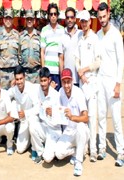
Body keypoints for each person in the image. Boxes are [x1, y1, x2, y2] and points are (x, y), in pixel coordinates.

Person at [96, 2, 124, 166]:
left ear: (109, 14)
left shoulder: (115, 35)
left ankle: (120, 152)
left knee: (115, 119)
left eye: (104, 16)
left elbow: (121, 61)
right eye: (99, 17)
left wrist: (118, 83)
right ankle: (101, 149)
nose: (102, 20)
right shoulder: (98, 34)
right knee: (100, 117)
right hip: (100, 81)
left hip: (113, 82)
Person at [74, 10, 101, 162]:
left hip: (92, 81)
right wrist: (80, 72)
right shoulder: (79, 37)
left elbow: (98, 62)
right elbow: (76, 59)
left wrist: (84, 70)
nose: (83, 24)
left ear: (90, 21)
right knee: (83, 116)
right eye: (81, 21)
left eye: (85, 21)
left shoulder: (94, 38)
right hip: (82, 81)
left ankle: (94, 150)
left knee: (92, 117)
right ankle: (83, 148)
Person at [55, 68, 89, 176]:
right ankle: (78, 150)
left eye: (68, 82)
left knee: (80, 127)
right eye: (64, 82)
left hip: (80, 131)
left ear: (72, 81)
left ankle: (78, 162)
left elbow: (86, 118)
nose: (66, 85)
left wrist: (72, 117)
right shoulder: (60, 92)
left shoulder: (78, 92)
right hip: (68, 131)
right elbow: (57, 111)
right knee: (58, 154)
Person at [29, 67, 62, 164]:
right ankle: (40, 153)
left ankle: (53, 150)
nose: (43, 83)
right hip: (44, 127)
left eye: (45, 81)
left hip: (54, 131)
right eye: (41, 81)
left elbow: (62, 117)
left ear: (49, 80)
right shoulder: (38, 90)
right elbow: (26, 85)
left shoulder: (56, 95)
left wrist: (53, 113)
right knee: (32, 123)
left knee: (48, 159)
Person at [8, 66, 39, 155]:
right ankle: (29, 139)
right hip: (23, 121)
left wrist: (26, 113)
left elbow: (37, 107)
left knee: (33, 125)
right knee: (20, 149)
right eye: (17, 79)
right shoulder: (14, 89)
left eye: (21, 79)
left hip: (33, 118)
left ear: (24, 77)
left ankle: (34, 147)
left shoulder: (31, 88)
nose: (19, 81)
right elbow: (5, 96)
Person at [40, 3, 64, 90]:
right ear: (48, 16)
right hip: (48, 71)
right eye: (51, 14)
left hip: (58, 71)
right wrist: (44, 71)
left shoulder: (62, 30)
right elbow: (42, 52)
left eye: (55, 14)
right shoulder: (44, 30)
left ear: (57, 15)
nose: (53, 16)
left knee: (57, 98)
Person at [0, 9, 21, 90]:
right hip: (3, 73)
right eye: (6, 18)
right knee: (4, 97)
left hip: (14, 72)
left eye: (10, 18)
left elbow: (19, 54)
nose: (8, 21)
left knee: (14, 97)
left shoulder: (17, 35)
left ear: (12, 20)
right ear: (3, 20)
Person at [58, 7, 81, 87]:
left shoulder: (81, 34)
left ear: (75, 19)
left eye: (71, 17)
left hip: (79, 78)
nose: (69, 20)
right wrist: (62, 78)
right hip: (67, 79)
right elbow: (61, 59)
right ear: (65, 19)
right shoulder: (62, 36)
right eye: (67, 18)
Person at [20, 10, 41, 83]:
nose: (29, 21)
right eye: (27, 19)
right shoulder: (21, 36)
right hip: (24, 74)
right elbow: (18, 54)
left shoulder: (39, 36)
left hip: (37, 74)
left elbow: (42, 54)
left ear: (34, 21)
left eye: (31, 19)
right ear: (25, 21)